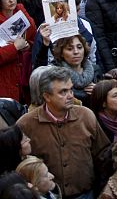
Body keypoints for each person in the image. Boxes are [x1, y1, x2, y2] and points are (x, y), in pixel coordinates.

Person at [16, 66, 110, 199]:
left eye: (71, 89)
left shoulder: (86, 116)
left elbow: (103, 155)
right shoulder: (26, 124)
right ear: (47, 96)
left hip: (87, 194)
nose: (70, 95)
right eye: (63, 92)